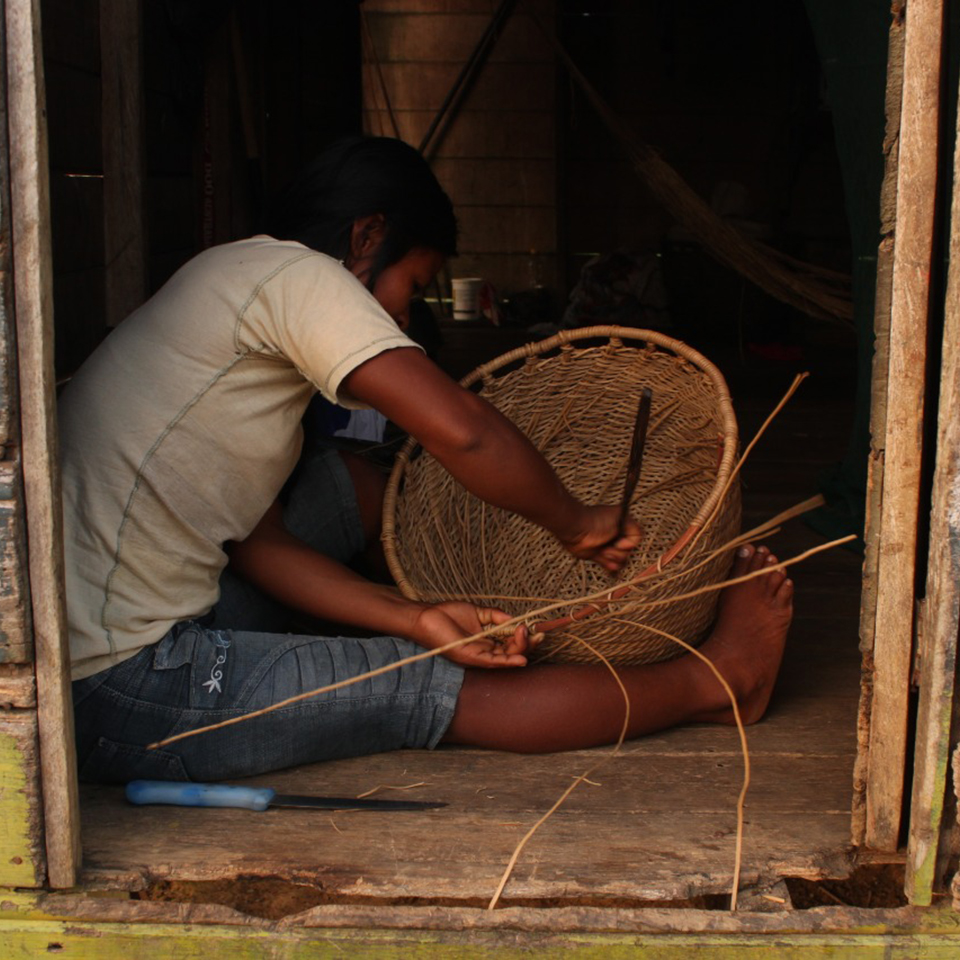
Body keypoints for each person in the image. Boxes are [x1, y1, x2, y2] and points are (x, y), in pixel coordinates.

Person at [62, 136, 793, 784]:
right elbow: (464, 432)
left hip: (128, 621)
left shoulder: (234, 275)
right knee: (428, 687)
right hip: (126, 683)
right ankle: (718, 683)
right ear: (367, 235)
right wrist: (574, 522)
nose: (407, 317)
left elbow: (262, 547)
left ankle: (389, 621)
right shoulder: (299, 280)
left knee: (337, 484)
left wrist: (416, 616)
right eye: (412, 286)